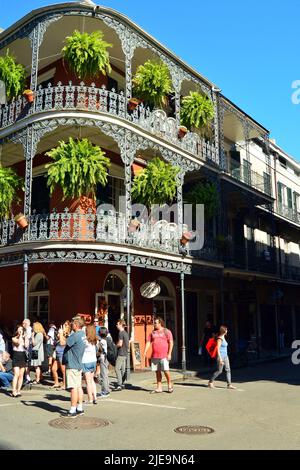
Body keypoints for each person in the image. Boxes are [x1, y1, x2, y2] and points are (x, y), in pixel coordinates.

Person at [62, 316, 86, 418]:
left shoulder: (75, 335)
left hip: (72, 364)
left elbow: (63, 342)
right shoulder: (82, 335)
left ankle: (72, 410)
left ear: (76, 325)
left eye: (72, 324)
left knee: (73, 388)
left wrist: (61, 332)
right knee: (78, 387)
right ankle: (79, 408)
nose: (71, 325)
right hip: (78, 363)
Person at [144, 316, 174, 394]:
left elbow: (171, 342)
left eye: (155, 323)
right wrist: (145, 351)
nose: (154, 324)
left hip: (164, 355)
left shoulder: (166, 331)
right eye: (154, 323)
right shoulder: (152, 333)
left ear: (160, 323)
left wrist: (169, 353)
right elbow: (148, 342)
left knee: (166, 371)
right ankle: (159, 387)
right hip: (155, 355)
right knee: (157, 372)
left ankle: (170, 384)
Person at [208, 325, 236, 389]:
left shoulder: (223, 337)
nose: (227, 331)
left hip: (225, 356)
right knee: (219, 371)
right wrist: (220, 359)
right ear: (224, 331)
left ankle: (229, 384)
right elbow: (217, 348)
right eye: (226, 330)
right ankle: (210, 382)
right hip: (220, 356)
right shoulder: (220, 338)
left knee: (228, 370)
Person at [11, 325, 29, 397]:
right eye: (19, 329)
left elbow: (26, 346)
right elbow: (18, 344)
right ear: (17, 331)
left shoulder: (24, 338)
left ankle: (18, 390)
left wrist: (26, 338)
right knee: (16, 374)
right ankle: (13, 390)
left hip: (23, 356)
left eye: (22, 329)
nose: (20, 330)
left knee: (21, 375)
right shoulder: (13, 338)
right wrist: (21, 335)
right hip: (16, 356)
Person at [82, 324, 97, 405]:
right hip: (93, 361)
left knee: (88, 382)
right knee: (92, 380)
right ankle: (95, 397)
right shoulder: (95, 340)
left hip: (86, 361)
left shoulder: (85, 340)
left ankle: (90, 399)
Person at [113, 319, 129, 391]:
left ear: (120, 325)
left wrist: (114, 346)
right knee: (122, 369)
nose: (116, 325)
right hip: (125, 353)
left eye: (117, 324)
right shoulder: (125, 333)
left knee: (117, 368)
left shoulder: (121, 333)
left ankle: (119, 384)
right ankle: (122, 384)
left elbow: (120, 344)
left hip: (121, 353)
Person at [97, 327, 110, 397]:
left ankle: (105, 391)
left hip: (103, 358)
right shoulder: (108, 339)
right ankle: (107, 389)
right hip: (106, 358)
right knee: (105, 374)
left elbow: (100, 351)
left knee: (104, 375)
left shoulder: (102, 341)